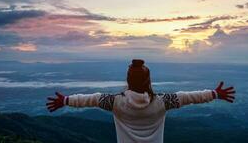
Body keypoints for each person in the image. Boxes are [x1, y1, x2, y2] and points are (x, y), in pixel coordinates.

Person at [46, 59, 235, 143]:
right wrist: (215, 94)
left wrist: (66, 100)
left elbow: (92, 100)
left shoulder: (116, 103)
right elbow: (187, 97)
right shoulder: (162, 102)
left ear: (128, 81)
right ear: (148, 82)